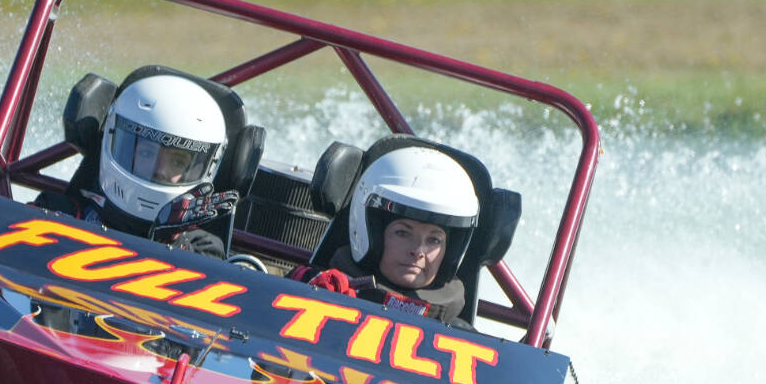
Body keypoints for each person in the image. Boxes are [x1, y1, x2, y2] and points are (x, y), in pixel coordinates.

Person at [35, 70, 239, 259]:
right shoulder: (56, 212)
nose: (160, 170)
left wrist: (169, 239)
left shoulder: (204, 248)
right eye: (146, 153)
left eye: (177, 162)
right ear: (113, 139)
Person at [289, 142, 479, 327]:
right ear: (371, 234)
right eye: (403, 233)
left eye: (434, 240)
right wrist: (313, 295)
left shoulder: (462, 341)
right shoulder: (317, 287)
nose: (418, 251)